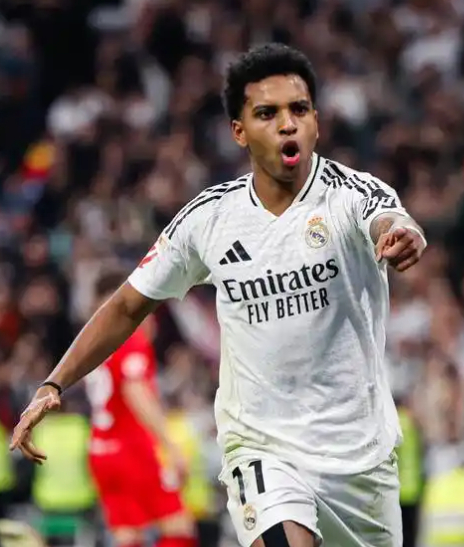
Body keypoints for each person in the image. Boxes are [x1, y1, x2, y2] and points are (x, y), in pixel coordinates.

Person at [10, 43, 427, 547]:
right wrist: (53, 383)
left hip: (360, 460)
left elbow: (389, 218)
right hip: (263, 450)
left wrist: (402, 233)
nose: (287, 124)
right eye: (267, 113)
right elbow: (127, 304)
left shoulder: (352, 194)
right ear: (239, 131)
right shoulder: (209, 219)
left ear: (316, 121)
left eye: (299, 110)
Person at [83, 271, 197, 547]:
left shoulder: (93, 342)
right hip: (131, 450)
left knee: (127, 535)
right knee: (179, 526)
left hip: (100, 451)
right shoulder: (129, 339)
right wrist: (171, 445)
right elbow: (135, 391)